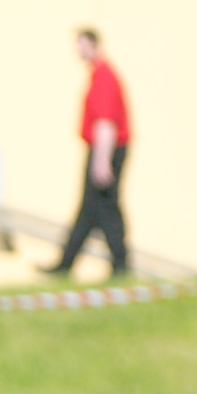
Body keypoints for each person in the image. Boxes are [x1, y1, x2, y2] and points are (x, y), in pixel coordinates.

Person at [50, 28, 131, 279]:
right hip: (102, 149)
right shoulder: (98, 74)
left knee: (106, 209)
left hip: (105, 150)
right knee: (89, 210)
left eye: (81, 44)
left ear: (92, 44)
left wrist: (101, 161)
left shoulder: (104, 76)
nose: (78, 50)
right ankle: (66, 263)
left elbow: (105, 123)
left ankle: (120, 263)